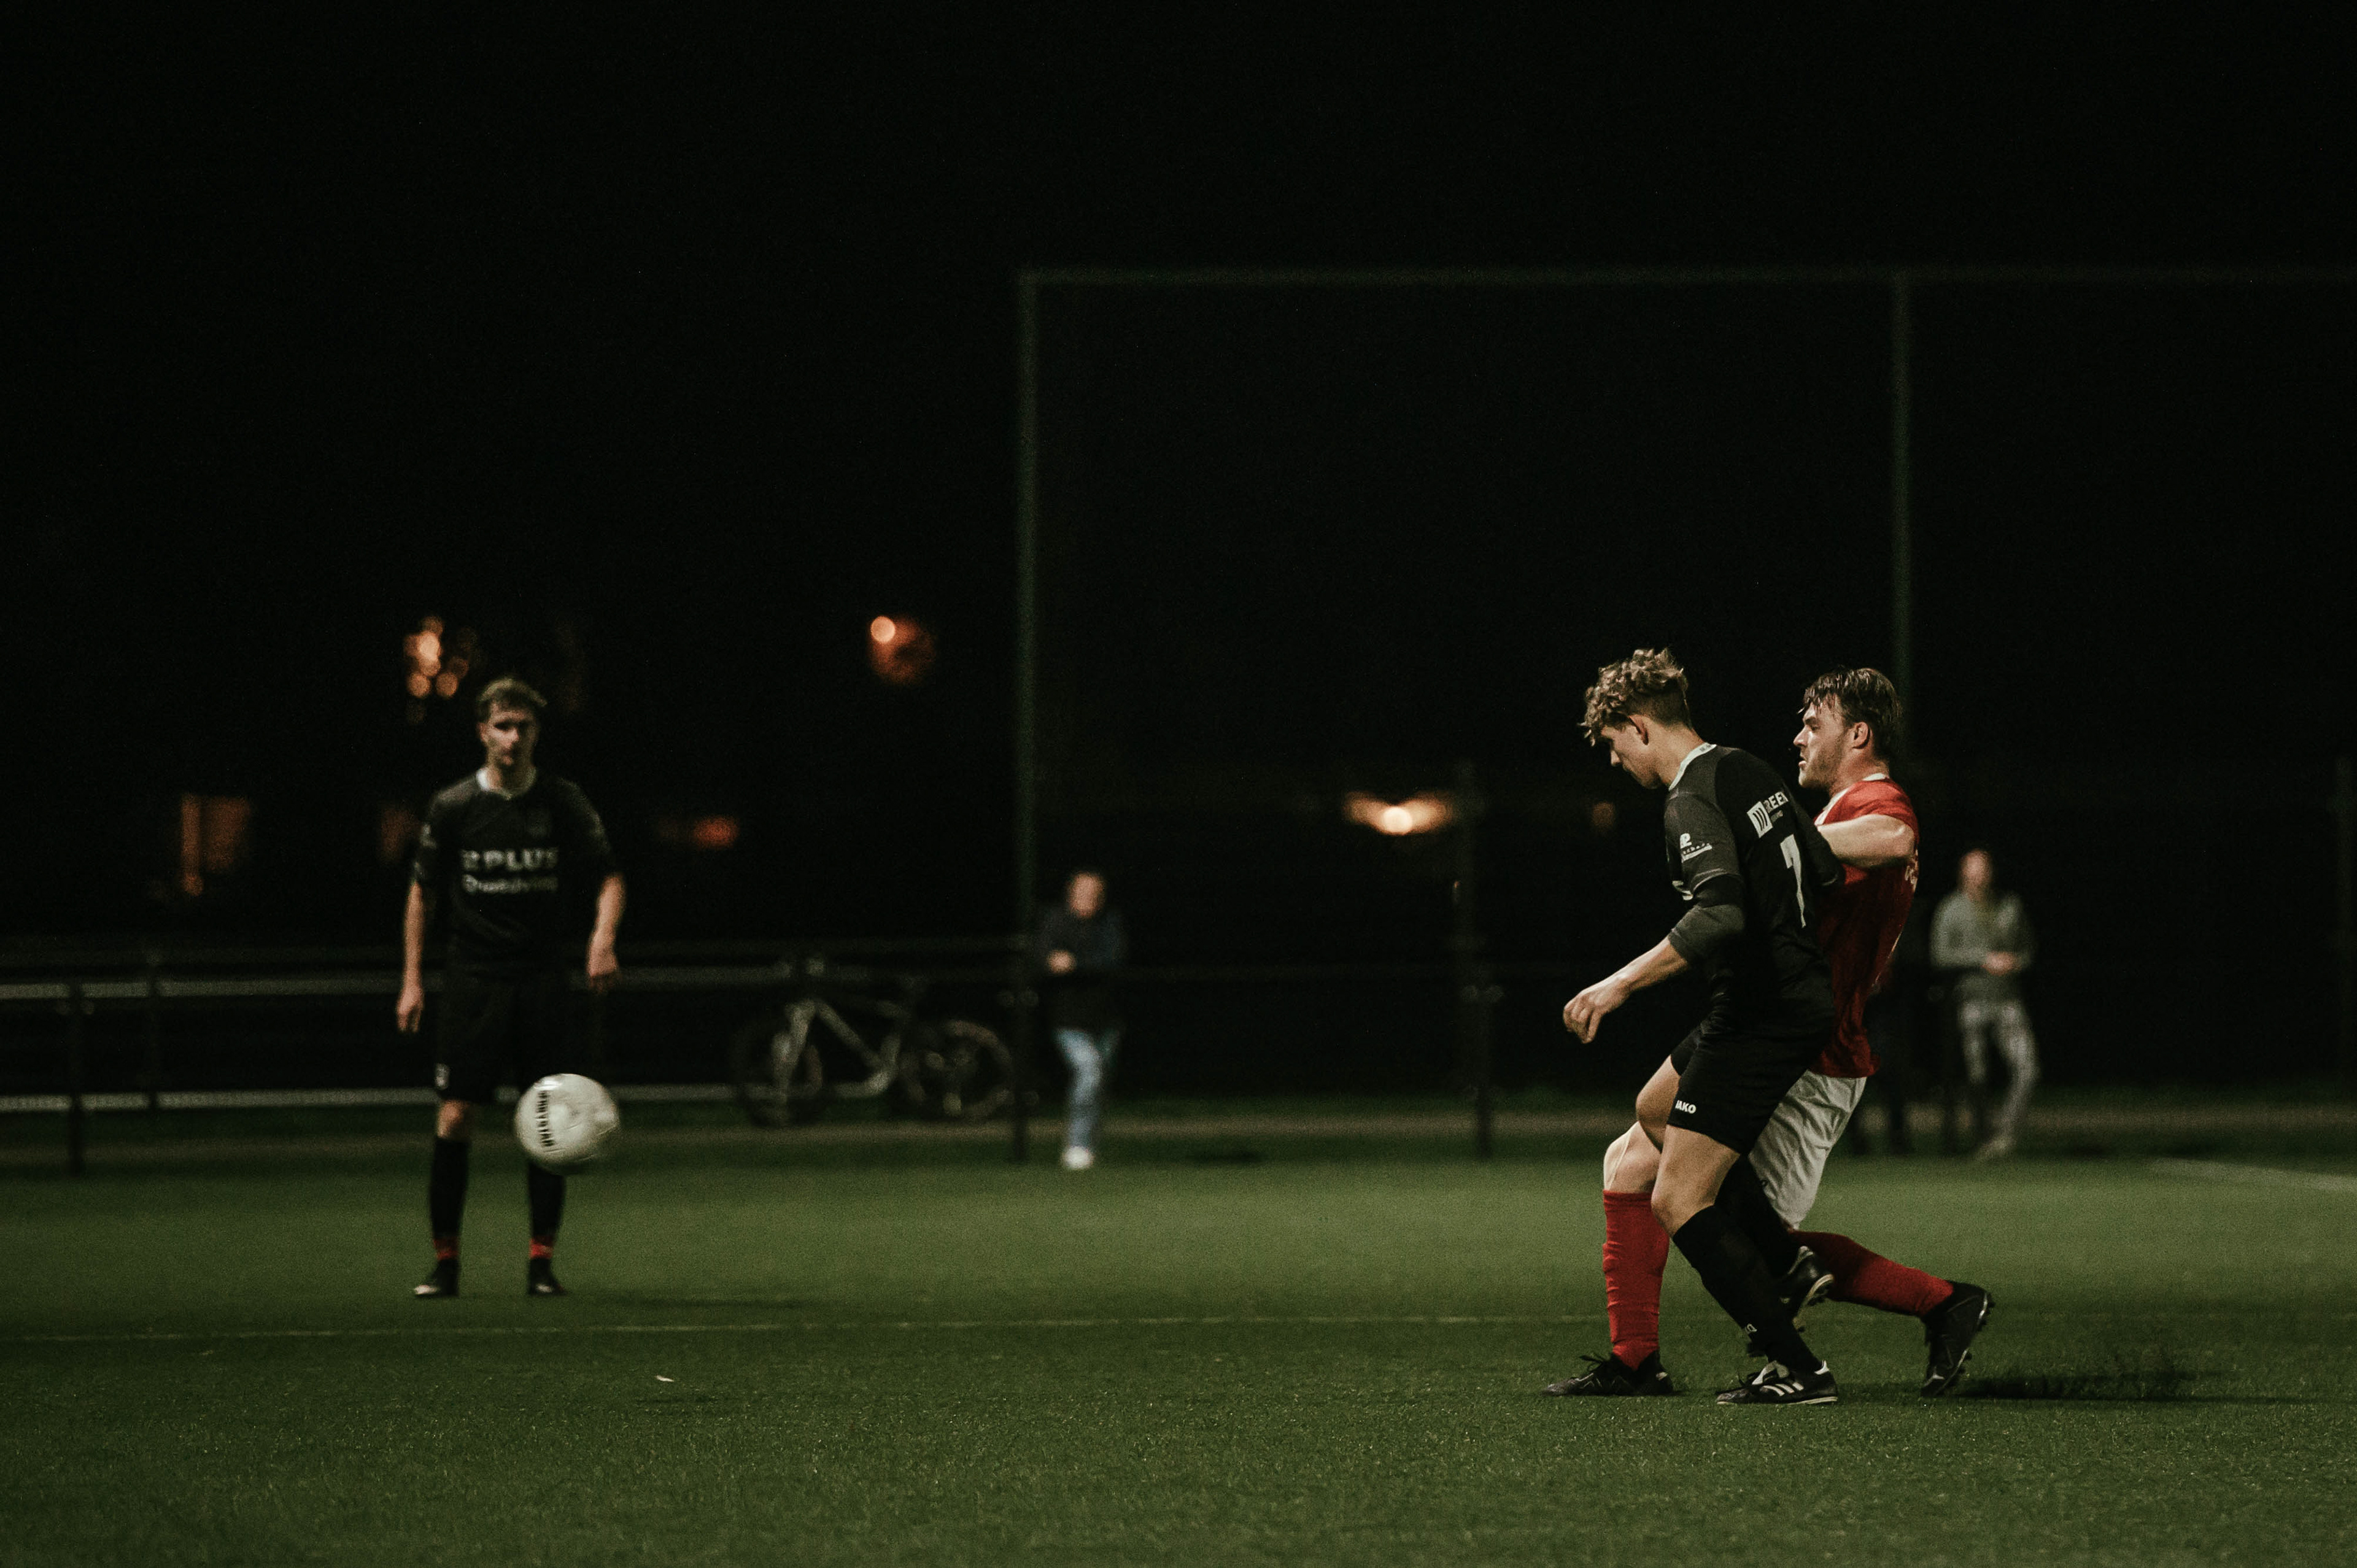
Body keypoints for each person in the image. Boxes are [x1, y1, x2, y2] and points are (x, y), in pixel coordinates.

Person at [1547, 666, 1990, 1400]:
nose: (1798, 737)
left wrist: (1781, 837)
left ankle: (1928, 1308)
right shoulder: (1816, 802)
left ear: (1859, 734)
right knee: (1632, 1157)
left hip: (1811, 1054)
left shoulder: (1874, 801)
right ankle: (1635, 1358)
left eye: (1814, 724)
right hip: (1772, 1026)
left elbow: (1894, 834)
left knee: (1737, 1229)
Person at [1557, 649, 1848, 1405]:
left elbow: (1720, 913)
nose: (1617, 762)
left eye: (1614, 745)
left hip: (1761, 1011)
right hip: (1782, 997)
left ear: (1637, 726)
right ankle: (1784, 1263)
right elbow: (1823, 868)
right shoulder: (1748, 768)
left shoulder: (1688, 798)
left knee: (1677, 1199)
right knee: (1654, 1106)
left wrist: (1618, 983)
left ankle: (1800, 1367)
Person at [397, 677, 625, 1298]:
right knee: (456, 1114)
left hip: (542, 980)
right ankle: (446, 1264)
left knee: (549, 1117)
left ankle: (541, 1265)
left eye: (523, 726)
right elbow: (422, 893)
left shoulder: (561, 801)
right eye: (502, 725)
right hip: (474, 980)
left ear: (536, 733)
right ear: (483, 731)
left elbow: (609, 877)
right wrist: (412, 979)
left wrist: (602, 938)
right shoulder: (454, 806)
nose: (513, 737)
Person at [1932, 849, 2039, 1159]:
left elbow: (2029, 949)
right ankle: (1981, 1136)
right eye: (1972, 870)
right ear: (1962, 873)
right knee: (1976, 1076)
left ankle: (2005, 1134)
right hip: (1971, 1002)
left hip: (2008, 999)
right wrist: (1982, 960)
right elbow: (1940, 955)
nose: (1978, 877)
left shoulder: (2010, 905)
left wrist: (2015, 962)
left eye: (1983, 870)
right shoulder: (1951, 909)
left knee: (2028, 1069)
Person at [1036, 868, 1126, 1172]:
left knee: (1099, 1085)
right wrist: (1053, 961)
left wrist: (1074, 963)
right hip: (1068, 1021)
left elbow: (1112, 958)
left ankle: (1089, 1145)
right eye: (1082, 893)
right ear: (1071, 894)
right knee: (1089, 1073)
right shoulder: (1055, 921)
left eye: (1094, 894)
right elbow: (1043, 957)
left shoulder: (1109, 923)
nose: (1088, 899)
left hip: (1106, 1021)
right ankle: (1077, 1145)